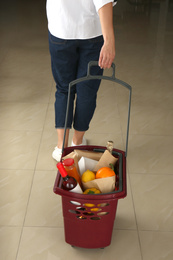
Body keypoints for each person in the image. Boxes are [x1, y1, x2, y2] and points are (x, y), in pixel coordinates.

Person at [46, 0, 116, 161]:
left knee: (64, 89)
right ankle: (77, 143)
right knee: (87, 92)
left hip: (61, 28)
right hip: (92, 30)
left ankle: (61, 147)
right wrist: (109, 40)